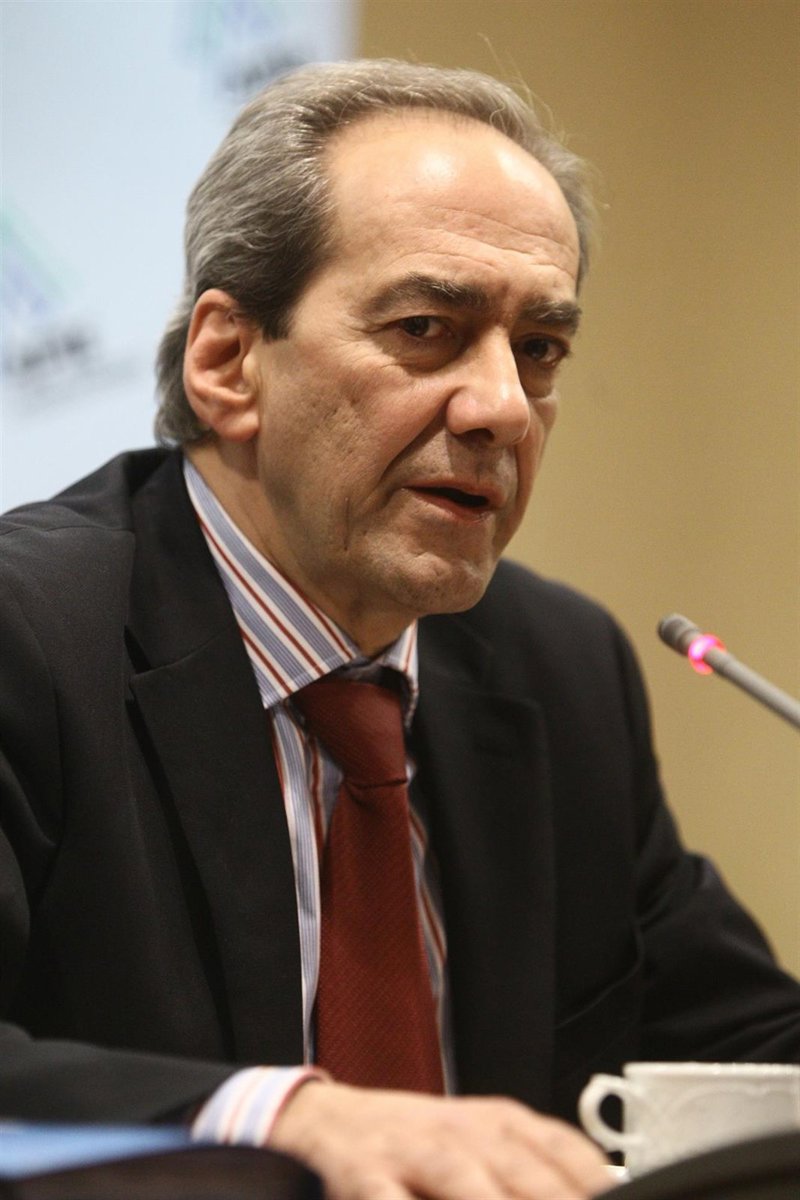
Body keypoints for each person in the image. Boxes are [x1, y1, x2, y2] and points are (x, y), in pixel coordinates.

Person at [1, 59, 798, 1200]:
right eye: (426, 328)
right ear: (228, 362)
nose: (503, 408)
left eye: (539, 349)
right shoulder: (30, 637)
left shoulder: (560, 669)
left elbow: (742, 1048)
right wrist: (284, 1118)